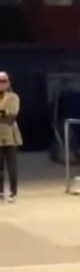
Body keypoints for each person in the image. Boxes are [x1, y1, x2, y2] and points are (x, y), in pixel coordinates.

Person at [0, 72, 22, 203]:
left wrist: (3, 113)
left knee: (12, 166)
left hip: (10, 136)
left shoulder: (13, 97)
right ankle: (0, 191)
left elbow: (12, 113)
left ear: (8, 82)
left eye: (4, 81)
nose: (2, 84)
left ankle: (13, 192)